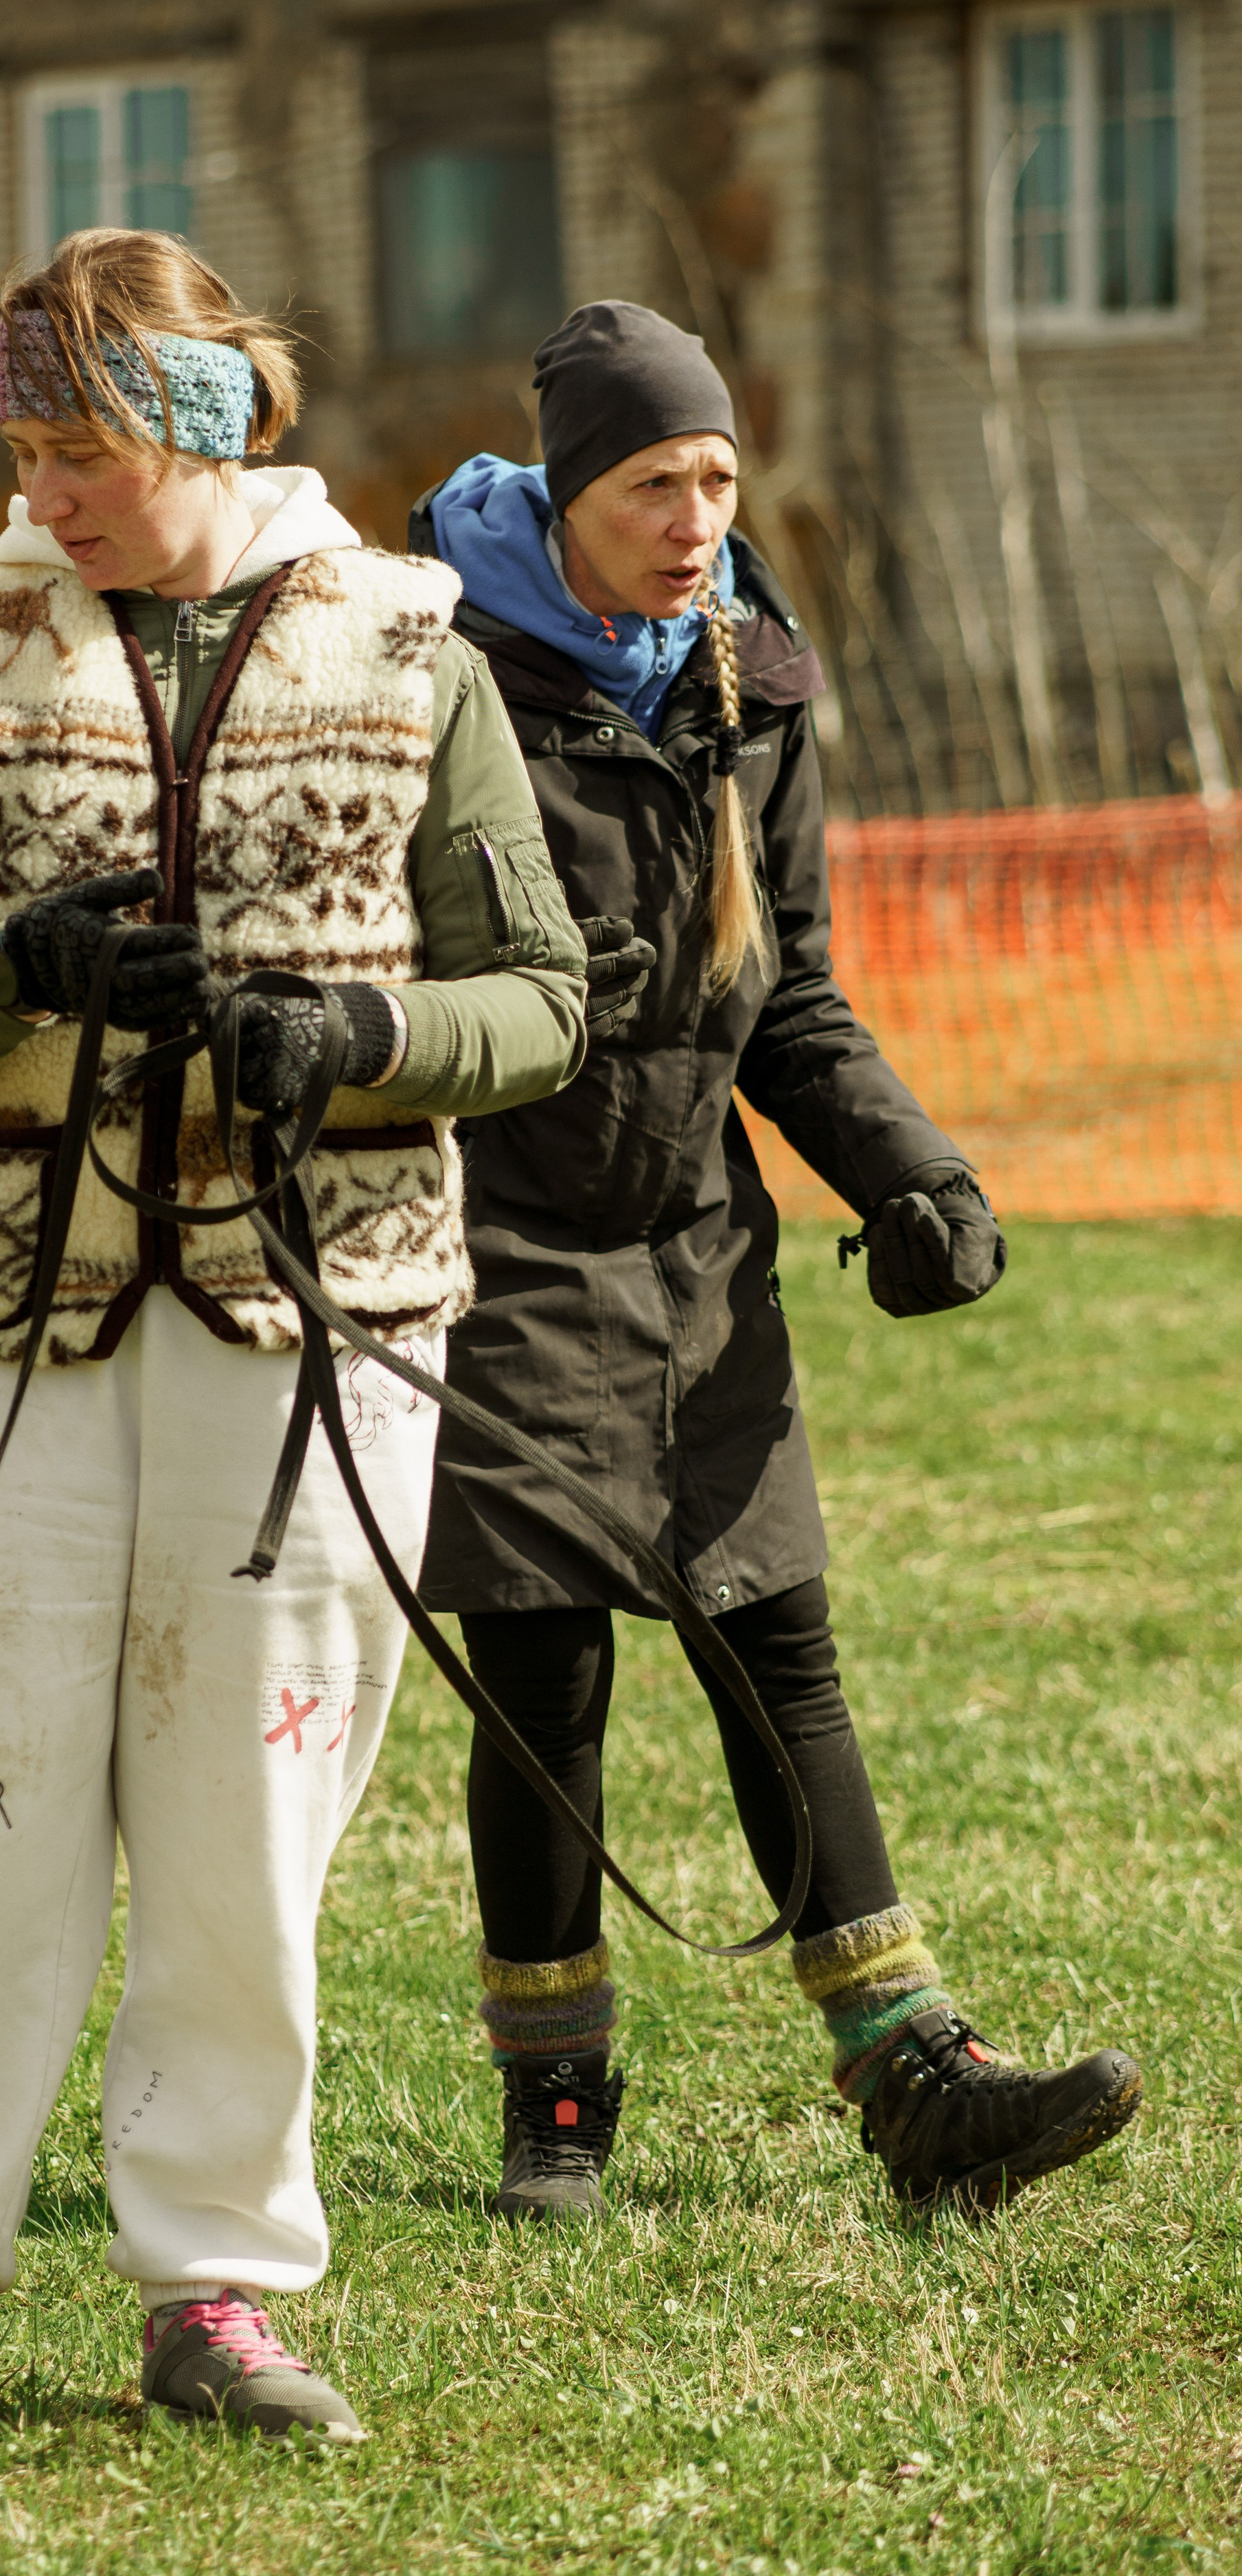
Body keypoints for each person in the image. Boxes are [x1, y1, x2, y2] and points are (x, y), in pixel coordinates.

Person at [0, 229, 587, 2452]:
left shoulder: (420, 653)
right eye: (21, 444)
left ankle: (217, 2285)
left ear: (206, 422)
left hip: (312, 1338)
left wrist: (356, 1029)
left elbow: (547, 999)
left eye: (77, 443)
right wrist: (18, 968)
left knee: (245, 1832)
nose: (43, 486)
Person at [410, 299, 1142, 2224]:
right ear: (570, 493)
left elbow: (792, 994)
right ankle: (553, 2104)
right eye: (656, 479)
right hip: (494, 1235)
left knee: (778, 1631)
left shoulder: (752, 682)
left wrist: (913, 1172)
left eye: (717, 476)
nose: (695, 513)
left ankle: (913, 2070)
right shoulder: (443, 671)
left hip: (694, 1240)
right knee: (543, 1668)